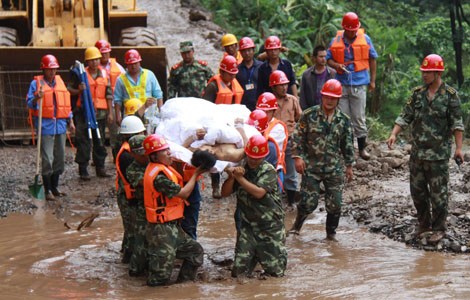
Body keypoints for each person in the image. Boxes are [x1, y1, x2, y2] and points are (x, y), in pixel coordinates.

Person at [386, 54, 464, 244]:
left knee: (439, 195)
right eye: (423, 72)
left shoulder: (450, 96)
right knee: (418, 192)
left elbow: (457, 124)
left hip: (438, 155)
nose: (424, 75)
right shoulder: (417, 94)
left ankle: (438, 228)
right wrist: (394, 133)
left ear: (437, 73)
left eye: (427, 72)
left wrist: (459, 149)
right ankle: (423, 224)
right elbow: (405, 115)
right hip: (418, 153)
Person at [289, 79, 354, 241]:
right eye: (327, 97)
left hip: (334, 168)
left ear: (338, 99)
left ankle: (331, 234)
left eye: (333, 98)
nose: (329, 100)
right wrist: (297, 158)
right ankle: (296, 227)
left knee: (335, 204)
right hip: (311, 167)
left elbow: (347, 144)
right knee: (308, 203)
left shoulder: (344, 120)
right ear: (322, 97)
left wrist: (349, 165)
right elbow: (296, 137)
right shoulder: (308, 115)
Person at [143, 134, 206, 286]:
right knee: (160, 279)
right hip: (161, 230)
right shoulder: (159, 176)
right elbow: (184, 193)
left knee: (195, 251)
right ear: (154, 156)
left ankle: (183, 286)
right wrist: (196, 173)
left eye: (168, 149)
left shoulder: (164, 168)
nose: (169, 153)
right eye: (164, 151)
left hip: (172, 227)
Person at [221, 135, 287, 278]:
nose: (253, 160)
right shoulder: (240, 168)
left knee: (275, 273)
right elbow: (224, 193)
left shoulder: (268, 170)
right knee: (239, 273)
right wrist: (232, 177)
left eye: (257, 157)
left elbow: (259, 193)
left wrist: (239, 178)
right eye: (251, 156)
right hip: (248, 225)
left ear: (264, 156)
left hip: (269, 226)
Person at [326, 12, 378, 160]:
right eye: (349, 29)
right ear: (344, 28)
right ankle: (345, 150)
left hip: (359, 82)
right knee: (343, 118)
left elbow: (373, 59)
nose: (352, 32)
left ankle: (362, 149)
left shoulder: (365, 39)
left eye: (354, 29)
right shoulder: (335, 40)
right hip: (341, 83)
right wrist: (337, 66)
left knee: (359, 117)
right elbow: (328, 60)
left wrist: (373, 81)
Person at [26, 54, 75, 200]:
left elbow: (66, 104)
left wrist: (70, 121)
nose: (52, 72)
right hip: (45, 126)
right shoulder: (36, 84)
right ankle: (47, 190)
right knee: (47, 158)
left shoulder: (60, 82)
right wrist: (37, 97)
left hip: (60, 126)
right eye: (49, 69)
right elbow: (29, 103)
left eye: (54, 69)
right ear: (43, 69)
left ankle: (55, 187)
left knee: (59, 158)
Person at [202, 55, 244, 198]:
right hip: (216, 125)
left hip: (230, 124)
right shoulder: (213, 86)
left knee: (233, 153)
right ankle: (215, 186)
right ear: (222, 71)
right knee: (216, 154)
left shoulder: (234, 84)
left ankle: (234, 181)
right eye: (230, 74)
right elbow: (206, 107)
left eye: (234, 74)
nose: (232, 76)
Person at [68, 46, 112, 180]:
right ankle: (83, 169)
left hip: (100, 114)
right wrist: (79, 90)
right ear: (87, 61)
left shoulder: (104, 74)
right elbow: (69, 89)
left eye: (97, 59)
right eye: (92, 60)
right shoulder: (80, 74)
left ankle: (100, 167)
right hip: (83, 113)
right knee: (83, 141)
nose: (95, 62)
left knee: (100, 141)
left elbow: (108, 94)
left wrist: (110, 112)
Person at [115, 115, 146, 263]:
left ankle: (126, 255)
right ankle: (128, 261)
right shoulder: (128, 156)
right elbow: (137, 180)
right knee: (132, 230)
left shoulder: (125, 150)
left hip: (127, 195)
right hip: (128, 197)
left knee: (130, 230)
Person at [270, 70, 302, 208]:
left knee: (291, 172)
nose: (284, 88)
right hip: (273, 142)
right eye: (280, 85)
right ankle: (273, 199)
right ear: (273, 87)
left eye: (285, 85)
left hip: (289, 140)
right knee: (272, 170)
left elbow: (299, 117)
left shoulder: (293, 100)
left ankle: (291, 202)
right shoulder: (269, 101)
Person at [113, 49, 163, 127]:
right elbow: (117, 100)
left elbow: (158, 95)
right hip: (130, 115)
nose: (133, 66)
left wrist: (161, 112)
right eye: (131, 64)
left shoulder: (149, 75)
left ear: (139, 62)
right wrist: (118, 116)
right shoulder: (121, 79)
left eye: (135, 63)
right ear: (126, 64)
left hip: (148, 114)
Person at [95, 39, 126, 159]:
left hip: (114, 104)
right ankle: (99, 158)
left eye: (106, 53)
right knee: (98, 133)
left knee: (115, 132)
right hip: (98, 106)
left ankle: (116, 156)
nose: (104, 55)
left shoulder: (117, 67)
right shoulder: (92, 68)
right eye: (101, 53)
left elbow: (125, 83)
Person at [125, 134, 149, 277]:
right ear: (133, 154)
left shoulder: (153, 161)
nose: (144, 156)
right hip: (141, 208)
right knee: (140, 241)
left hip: (156, 208)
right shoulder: (132, 169)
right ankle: (135, 269)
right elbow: (146, 182)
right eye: (140, 154)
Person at [299, 45, 337, 110]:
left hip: (328, 110)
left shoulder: (332, 73)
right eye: (321, 56)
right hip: (311, 110)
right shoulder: (307, 75)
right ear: (314, 58)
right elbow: (302, 96)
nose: (324, 59)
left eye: (325, 56)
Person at [236, 37, 262, 111]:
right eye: (244, 51)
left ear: (253, 50)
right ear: (240, 53)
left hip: (259, 106)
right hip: (242, 107)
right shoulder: (237, 69)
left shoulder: (261, 67)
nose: (247, 53)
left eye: (249, 50)